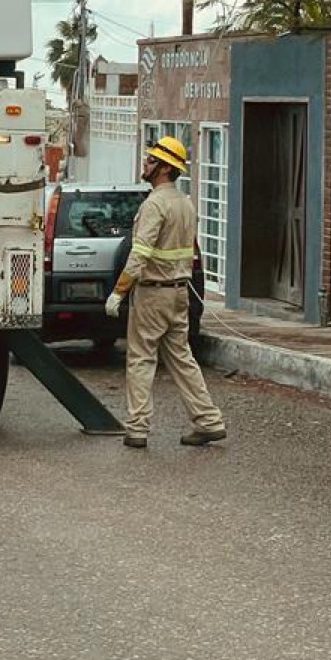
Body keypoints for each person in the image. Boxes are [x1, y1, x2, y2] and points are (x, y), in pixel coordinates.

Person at [105, 135, 227, 450]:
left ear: (163, 168)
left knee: (141, 358)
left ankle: (137, 429)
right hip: (178, 294)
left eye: (150, 160)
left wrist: (119, 292)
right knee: (182, 357)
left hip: (152, 294)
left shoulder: (154, 204)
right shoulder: (185, 204)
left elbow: (139, 253)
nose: (145, 163)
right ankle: (209, 421)